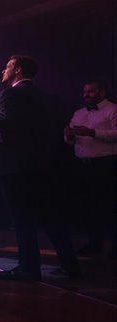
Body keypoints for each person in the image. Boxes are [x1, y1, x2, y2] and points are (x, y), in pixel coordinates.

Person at [0, 55, 79, 280]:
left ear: (17, 70)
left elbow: (8, 126)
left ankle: (29, 268)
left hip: (16, 165)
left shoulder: (11, 93)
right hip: (42, 164)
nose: (2, 71)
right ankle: (70, 264)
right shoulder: (43, 96)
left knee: (22, 218)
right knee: (50, 217)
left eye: (7, 66)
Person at [63, 79, 116, 257]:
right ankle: (94, 244)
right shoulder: (78, 113)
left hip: (105, 164)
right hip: (81, 164)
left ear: (102, 93)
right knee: (87, 207)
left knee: (108, 207)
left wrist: (92, 132)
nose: (86, 95)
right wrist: (68, 135)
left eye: (91, 92)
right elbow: (71, 139)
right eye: (85, 91)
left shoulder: (112, 110)